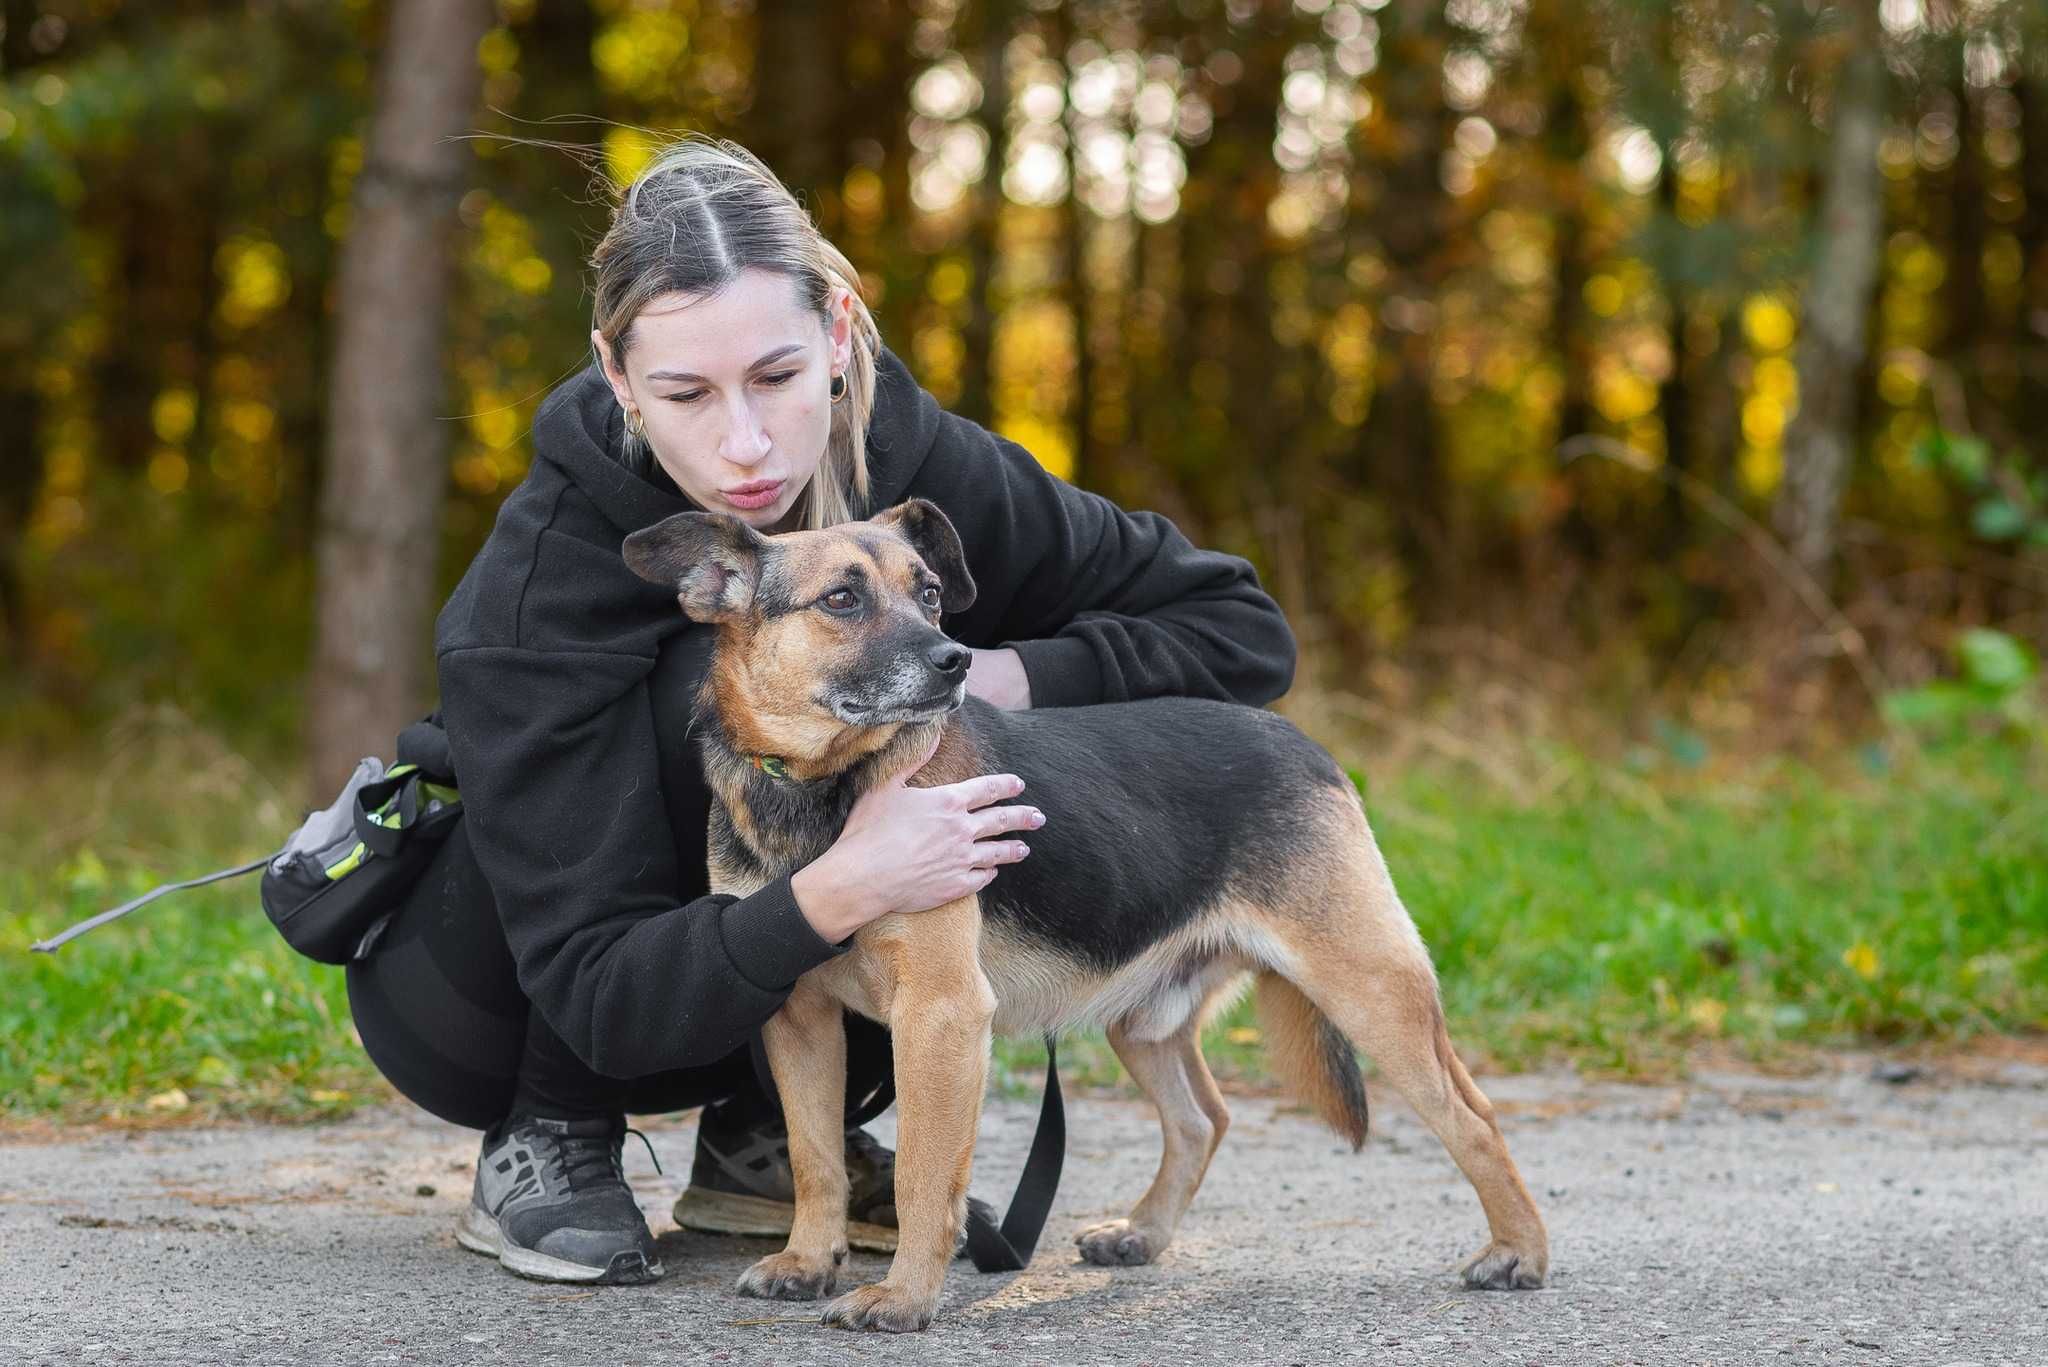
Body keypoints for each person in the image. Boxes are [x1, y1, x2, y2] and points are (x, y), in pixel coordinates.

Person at [341, 133, 1297, 1287]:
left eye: (778, 377)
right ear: (615, 372)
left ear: (838, 335)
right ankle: (551, 1137)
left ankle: (766, 1149)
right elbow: (600, 993)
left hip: (788, 965)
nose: (744, 443)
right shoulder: (537, 588)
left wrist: (1003, 677)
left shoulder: (911, 468)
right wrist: (844, 882)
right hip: (507, 1001)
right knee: (721, 696)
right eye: (686, 392)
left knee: (881, 738)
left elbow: (1237, 627)